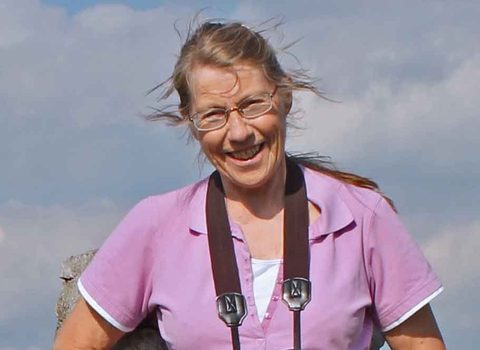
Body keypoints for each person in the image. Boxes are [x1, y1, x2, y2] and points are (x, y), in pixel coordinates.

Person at [53, 20, 446, 350]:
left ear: (285, 96)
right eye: (214, 114)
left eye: (253, 105)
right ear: (189, 119)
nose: (239, 132)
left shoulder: (361, 217)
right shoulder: (156, 225)